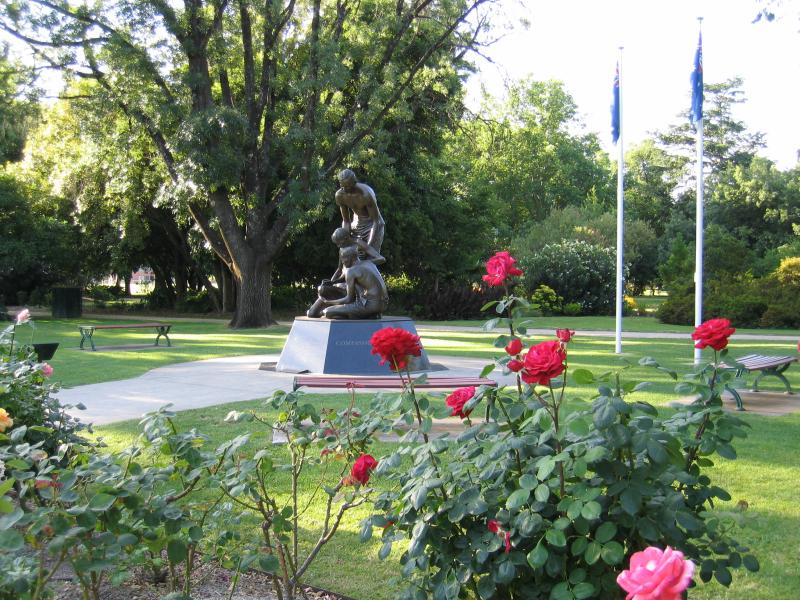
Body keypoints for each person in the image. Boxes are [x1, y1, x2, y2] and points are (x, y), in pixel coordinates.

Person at [306, 228, 385, 318]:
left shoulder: (358, 246)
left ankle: (347, 312)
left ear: (347, 238)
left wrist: (362, 264)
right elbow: (340, 269)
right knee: (312, 312)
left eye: (340, 243)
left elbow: (381, 259)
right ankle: (343, 312)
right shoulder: (343, 251)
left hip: (359, 292)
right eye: (337, 244)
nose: (339, 245)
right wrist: (332, 283)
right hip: (346, 284)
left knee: (328, 312)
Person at [321, 246, 389, 319]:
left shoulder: (351, 271)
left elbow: (348, 299)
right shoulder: (369, 263)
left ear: (352, 258)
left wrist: (328, 302)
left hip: (369, 305)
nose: (343, 261)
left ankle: (359, 315)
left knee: (327, 312)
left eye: (344, 258)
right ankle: (370, 315)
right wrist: (333, 282)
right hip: (383, 305)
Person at [335, 169, 385, 256]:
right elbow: (346, 221)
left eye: (348, 186)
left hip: (373, 226)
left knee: (370, 260)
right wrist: (346, 239)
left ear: (354, 182)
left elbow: (375, 221)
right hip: (357, 226)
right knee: (350, 257)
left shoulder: (365, 194)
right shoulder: (340, 195)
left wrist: (368, 246)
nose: (345, 189)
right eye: (343, 186)